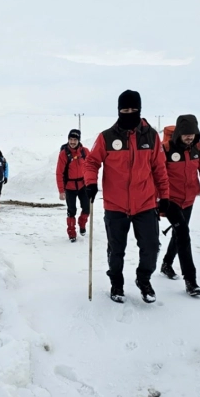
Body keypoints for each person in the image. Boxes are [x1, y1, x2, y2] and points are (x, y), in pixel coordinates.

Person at [84, 89, 170, 304]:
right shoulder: (106, 137)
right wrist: (91, 182)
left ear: (140, 110)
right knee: (116, 249)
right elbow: (92, 162)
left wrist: (165, 197)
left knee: (150, 247)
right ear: (119, 110)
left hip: (145, 203)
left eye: (133, 109)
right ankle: (117, 283)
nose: (129, 112)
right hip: (116, 204)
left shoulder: (151, 136)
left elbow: (159, 168)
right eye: (125, 109)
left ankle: (144, 280)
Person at [159, 114, 200, 296]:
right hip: (171, 200)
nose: (189, 137)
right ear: (178, 133)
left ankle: (167, 264)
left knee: (179, 233)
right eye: (185, 134)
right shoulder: (166, 149)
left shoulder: (199, 148)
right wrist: (159, 200)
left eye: (192, 133)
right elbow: (158, 175)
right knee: (183, 234)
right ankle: (190, 281)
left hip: (189, 199)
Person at [56, 129, 91, 242]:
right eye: (70, 139)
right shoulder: (64, 154)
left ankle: (82, 224)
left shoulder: (85, 152)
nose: (72, 142)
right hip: (69, 187)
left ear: (78, 140)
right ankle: (71, 233)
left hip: (83, 185)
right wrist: (61, 191)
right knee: (71, 210)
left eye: (75, 139)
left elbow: (92, 167)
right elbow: (59, 173)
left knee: (86, 208)